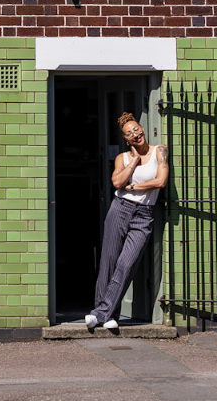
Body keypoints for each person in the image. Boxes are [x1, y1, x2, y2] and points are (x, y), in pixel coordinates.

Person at [85, 113, 168, 330]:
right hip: (119, 209)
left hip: (144, 214)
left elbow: (160, 181)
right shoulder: (123, 158)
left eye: (137, 129)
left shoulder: (160, 151)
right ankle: (110, 315)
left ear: (143, 129)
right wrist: (134, 164)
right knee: (109, 262)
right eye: (129, 133)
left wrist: (131, 186)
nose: (135, 134)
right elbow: (116, 182)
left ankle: (100, 313)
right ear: (126, 139)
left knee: (127, 263)